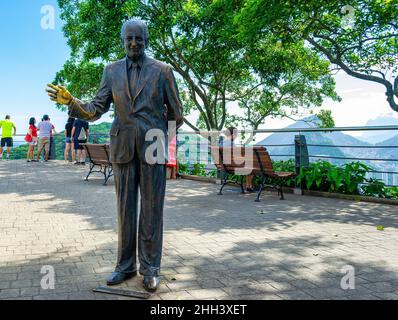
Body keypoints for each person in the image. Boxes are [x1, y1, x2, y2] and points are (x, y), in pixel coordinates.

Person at [46, 19, 183, 292]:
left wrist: (161, 139)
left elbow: (177, 116)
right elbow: (96, 108)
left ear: (146, 40)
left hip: (152, 149)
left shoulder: (163, 71)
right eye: (128, 38)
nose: (133, 43)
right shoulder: (111, 71)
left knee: (152, 211)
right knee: (125, 210)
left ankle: (151, 268)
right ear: (122, 40)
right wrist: (71, 102)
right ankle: (125, 265)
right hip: (122, 148)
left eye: (138, 39)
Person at [221, 126, 254, 192]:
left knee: (248, 165)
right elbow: (236, 157)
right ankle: (248, 186)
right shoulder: (231, 143)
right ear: (233, 135)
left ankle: (248, 186)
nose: (237, 136)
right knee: (250, 167)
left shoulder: (221, 143)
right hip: (233, 167)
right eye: (236, 134)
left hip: (224, 166)